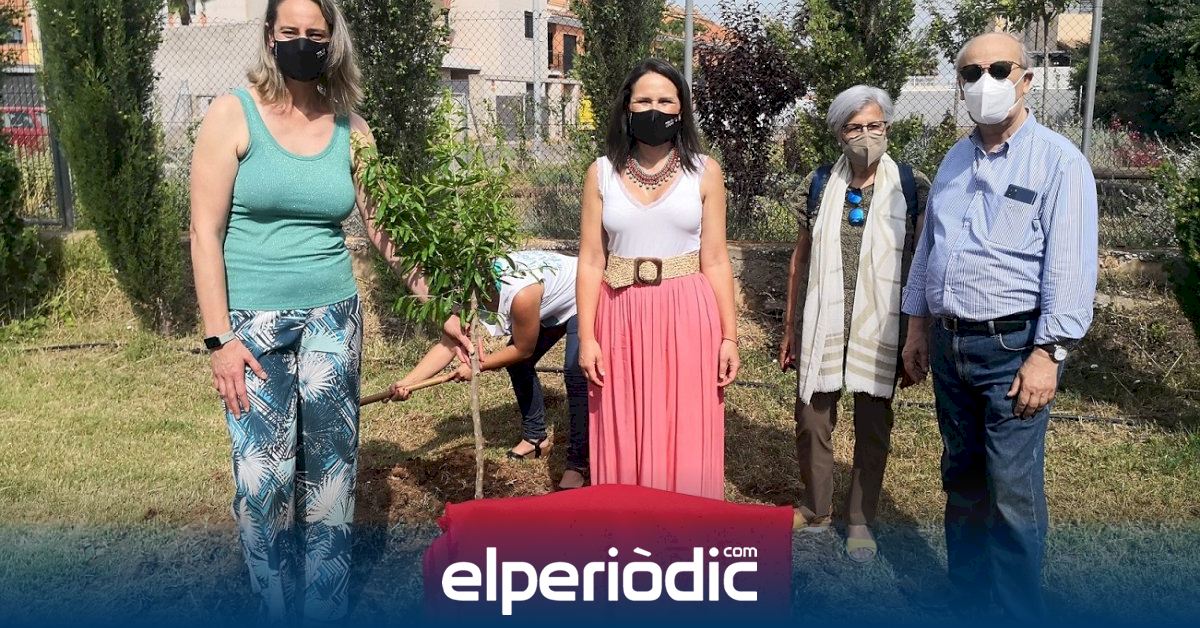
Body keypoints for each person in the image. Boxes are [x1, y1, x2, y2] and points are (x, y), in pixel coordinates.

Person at [189, 0, 421, 621]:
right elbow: (205, 233)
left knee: (331, 474)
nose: (301, 42)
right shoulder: (231, 115)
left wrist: (441, 305)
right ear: (270, 36)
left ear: (332, 40)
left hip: (333, 320)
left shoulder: (352, 127)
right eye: (289, 31)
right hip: (251, 326)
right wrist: (219, 340)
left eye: (314, 33)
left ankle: (325, 607)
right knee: (262, 481)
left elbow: (385, 230)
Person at [900, 32, 1098, 620]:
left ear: (1026, 80)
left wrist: (1049, 353)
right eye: (971, 73)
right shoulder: (954, 159)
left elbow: (1070, 267)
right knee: (961, 478)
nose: (984, 82)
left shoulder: (1059, 161)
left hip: (1013, 349)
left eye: (999, 69)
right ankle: (966, 601)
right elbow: (928, 249)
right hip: (950, 344)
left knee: (1012, 492)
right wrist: (917, 328)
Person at [576, 59, 739, 500]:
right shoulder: (600, 173)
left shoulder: (705, 171)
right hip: (619, 315)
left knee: (685, 421)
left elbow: (716, 259)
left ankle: (686, 524)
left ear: (681, 109)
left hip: (688, 316)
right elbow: (591, 260)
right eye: (644, 100)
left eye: (666, 100)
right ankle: (626, 523)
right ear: (626, 108)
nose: (655, 108)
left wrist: (729, 336)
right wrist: (587, 337)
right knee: (622, 419)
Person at [780, 85, 930, 562]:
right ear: (838, 134)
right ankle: (817, 508)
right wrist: (789, 327)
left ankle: (861, 518)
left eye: (874, 126)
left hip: (882, 326)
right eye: (854, 127)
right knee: (811, 418)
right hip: (823, 322)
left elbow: (921, 261)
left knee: (873, 425)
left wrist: (916, 331)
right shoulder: (819, 183)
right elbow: (800, 260)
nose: (866, 135)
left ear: (887, 128)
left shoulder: (911, 185)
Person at [388, 250, 590, 490]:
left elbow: (524, 349)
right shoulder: (468, 288)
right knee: (518, 365)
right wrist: (408, 382)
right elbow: (449, 344)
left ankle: (578, 463)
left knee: (575, 373)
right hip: (551, 297)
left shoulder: (520, 293)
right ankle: (535, 438)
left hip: (581, 289)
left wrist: (477, 366)